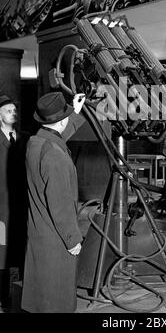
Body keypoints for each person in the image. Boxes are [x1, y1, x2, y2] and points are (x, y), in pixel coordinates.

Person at [21, 92, 86, 313]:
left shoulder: (36, 142)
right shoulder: (55, 156)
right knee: (57, 298)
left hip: (40, 233)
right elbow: (60, 205)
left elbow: (56, 138)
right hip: (56, 239)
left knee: (42, 296)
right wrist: (72, 239)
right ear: (61, 120)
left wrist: (74, 112)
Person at [0, 95, 30, 309]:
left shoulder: (25, 138)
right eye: (9, 110)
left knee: (20, 252)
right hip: (1, 210)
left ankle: (16, 297)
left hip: (21, 206)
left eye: (15, 110)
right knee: (1, 252)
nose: (14, 113)